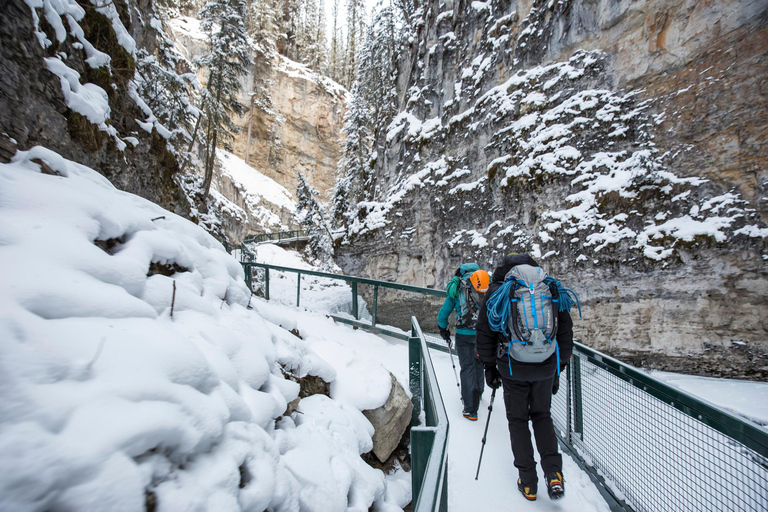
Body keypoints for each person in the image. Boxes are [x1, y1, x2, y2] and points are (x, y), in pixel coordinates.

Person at [476, 253, 575, 501]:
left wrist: (489, 367)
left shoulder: (499, 291)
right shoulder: (550, 287)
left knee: (518, 421)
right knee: (542, 416)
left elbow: (485, 332)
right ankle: (553, 474)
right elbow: (565, 331)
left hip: (512, 367)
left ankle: (528, 483)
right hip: (545, 366)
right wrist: (558, 368)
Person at [437, 263, 490, 421]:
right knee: (479, 362)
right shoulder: (485, 283)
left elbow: (443, 313)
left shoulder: (458, 287)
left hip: (463, 334)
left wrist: (443, 329)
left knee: (467, 368)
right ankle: (479, 393)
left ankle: (470, 409)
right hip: (482, 334)